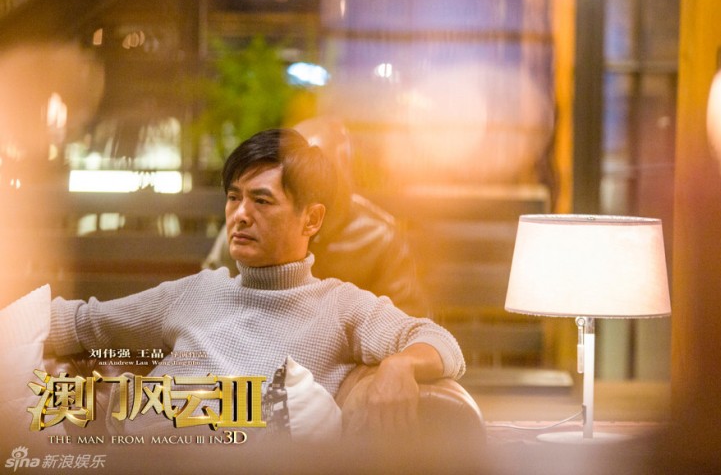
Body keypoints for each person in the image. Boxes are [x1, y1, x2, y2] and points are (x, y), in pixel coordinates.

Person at [0, 128, 465, 442]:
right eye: (234, 198)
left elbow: (438, 341)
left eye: (262, 201)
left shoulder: (339, 306)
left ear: (311, 219)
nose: (240, 215)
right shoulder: (193, 293)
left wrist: (399, 366)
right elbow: (75, 322)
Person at [203, 117, 426, 316]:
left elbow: (408, 320)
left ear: (343, 170)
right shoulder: (249, 226)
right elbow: (209, 294)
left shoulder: (379, 237)